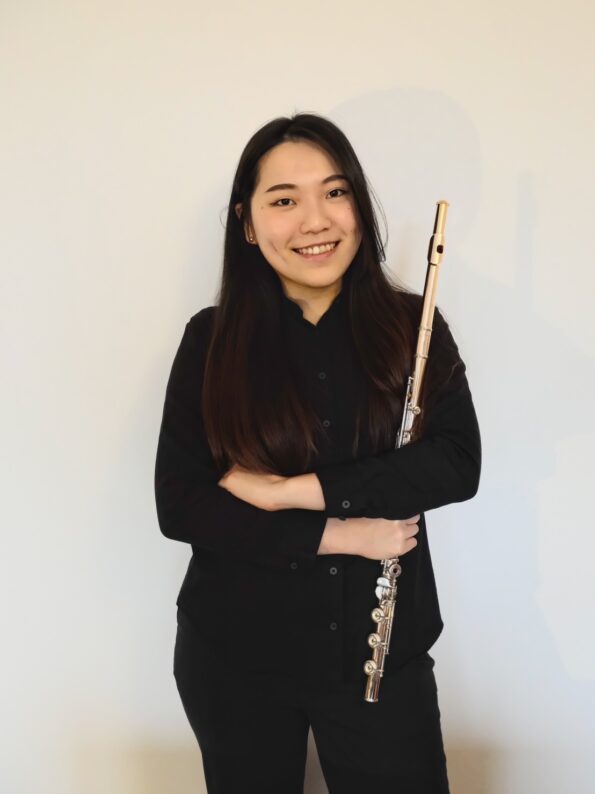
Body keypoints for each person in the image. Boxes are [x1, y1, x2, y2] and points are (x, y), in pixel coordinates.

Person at [154, 112, 481, 794]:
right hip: (235, 655)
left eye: (335, 192)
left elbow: (455, 463)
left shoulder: (413, 326)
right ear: (247, 224)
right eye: (284, 200)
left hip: (379, 660)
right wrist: (338, 533)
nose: (315, 221)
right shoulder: (209, 341)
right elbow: (182, 504)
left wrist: (291, 492)